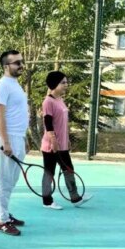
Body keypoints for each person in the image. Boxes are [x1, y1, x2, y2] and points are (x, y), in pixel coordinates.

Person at [40, 71, 93, 209]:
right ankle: (47, 201)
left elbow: (63, 122)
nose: (66, 85)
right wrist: (53, 140)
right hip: (51, 145)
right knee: (49, 172)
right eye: (63, 82)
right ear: (54, 84)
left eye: (66, 82)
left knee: (68, 169)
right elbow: (48, 122)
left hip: (62, 143)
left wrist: (67, 139)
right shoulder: (48, 101)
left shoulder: (59, 100)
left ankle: (75, 198)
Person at [0, 50, 29, 236]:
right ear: (6, 66)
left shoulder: (15, 84)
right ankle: (2, 220)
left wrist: (24, 139)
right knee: (5, 181)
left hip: (18, 138)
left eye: (21, 62)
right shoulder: (2, 85)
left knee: (12, 180)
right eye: (16, 63)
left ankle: (4, 213)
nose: (21, 65)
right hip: (8, 139)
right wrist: (6, 142)